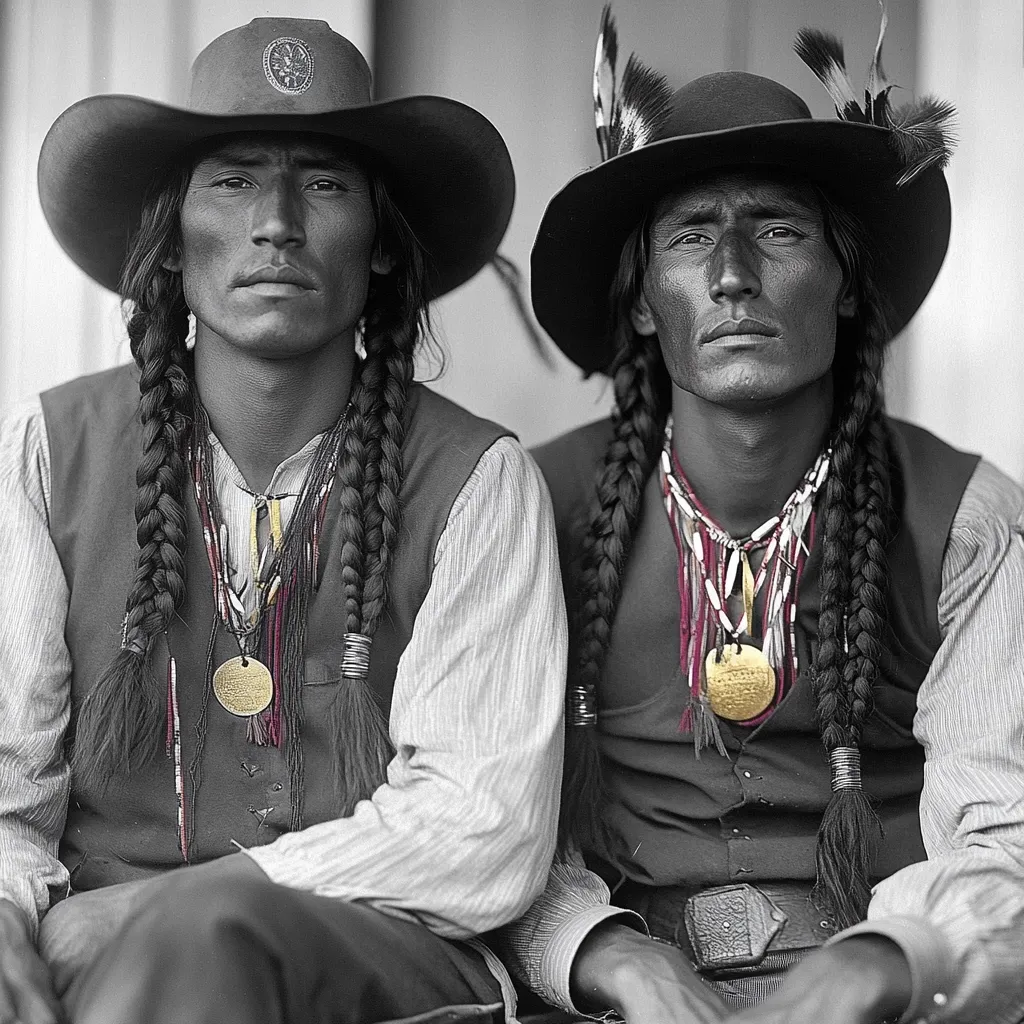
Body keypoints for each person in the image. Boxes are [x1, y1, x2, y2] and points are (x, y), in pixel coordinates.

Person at [0, 18, 567, 1024]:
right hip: (81, 942)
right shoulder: (50, 450)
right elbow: (7, 798)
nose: (276, 221)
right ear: (171, 240)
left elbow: (481, 833)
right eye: (233, 179)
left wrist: (178, 904)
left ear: (384, 249)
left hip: (379, 953)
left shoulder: (477, 479)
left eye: (325, 183)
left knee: (210, 938)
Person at [500, 9, 1024, 1024]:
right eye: (693, 236)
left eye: (779, 231)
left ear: (842, 284)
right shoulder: (529, 505)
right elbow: (479, 821)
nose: (734, 275)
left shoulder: (965, 517)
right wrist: (607, 956)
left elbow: (1005, 836)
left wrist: (886, 959)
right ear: (644, 300)